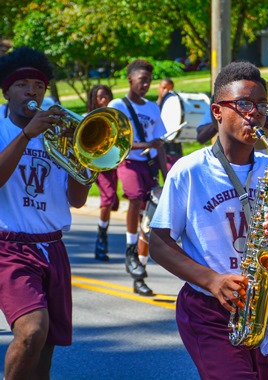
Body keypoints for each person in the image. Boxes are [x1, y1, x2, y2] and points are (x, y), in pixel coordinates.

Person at [148, 61, 268, 379]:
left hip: (256, 310)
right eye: (243, 105)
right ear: (217, 111)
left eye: (261, 106)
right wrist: (212, 280)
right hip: (206, 307)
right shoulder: (189, 170)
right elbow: (158, 243)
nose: (254, 114)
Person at [0, 46, 90, 378]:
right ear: (6, 90)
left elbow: (77, 200)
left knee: (45, 349)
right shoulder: (2, 127)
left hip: (52, 246)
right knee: (31, 332)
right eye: (22, 84)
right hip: (8, 246)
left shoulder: (59, 130)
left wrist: (85, 159)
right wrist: (27, 135)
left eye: (38, 85)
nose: (32, 91)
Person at [108, 59, 168, 297]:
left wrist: (167, 177)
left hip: (150, 165)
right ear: (130, 79)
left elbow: (160, 144)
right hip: (128, 161)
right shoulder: (117, 105)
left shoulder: (153, 108)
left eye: (149, 81)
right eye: (142, 80)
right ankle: (130, 248)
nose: (146, 84)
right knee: (134, 199)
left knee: (150, 219)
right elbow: (112, 139)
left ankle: (140, 272)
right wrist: (145, 144)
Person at [86, 84, 118, 262]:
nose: (104, 100)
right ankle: (101, 239)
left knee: (114, 201)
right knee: (108, 198)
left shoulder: (114, 117)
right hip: (99, 165)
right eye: (100, 97)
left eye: (106, 96)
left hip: (115, 164)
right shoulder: (88, 117)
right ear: (94, 99)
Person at [156, 77, 184, 170]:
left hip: (174, 145)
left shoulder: (174, 107)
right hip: (161, 145)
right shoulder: (154, 107)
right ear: (159, 88)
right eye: (164, 88)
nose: (166, 91)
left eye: (170, 89)